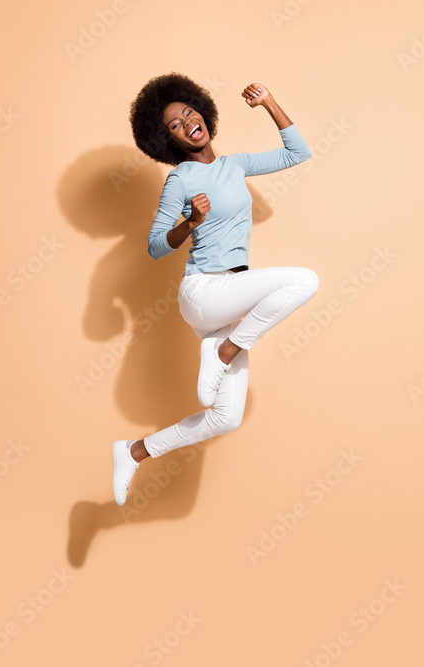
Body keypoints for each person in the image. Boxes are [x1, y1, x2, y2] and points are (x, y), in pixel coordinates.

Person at [114, 72, 318, 505]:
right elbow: (153, 247)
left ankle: (134, 451)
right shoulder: (181, 180)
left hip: (231, 301)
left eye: (189, 112)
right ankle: (224, 351)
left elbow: (298, 152)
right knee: (304, 280)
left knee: (224, 417)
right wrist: (190, 223)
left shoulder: (235, 165)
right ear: (166, 140)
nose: (187, 122)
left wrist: (269, 102)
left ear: (202, 111)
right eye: (174, 124)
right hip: (205, 292)